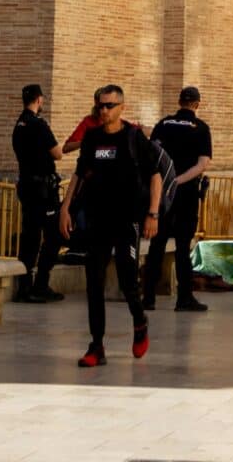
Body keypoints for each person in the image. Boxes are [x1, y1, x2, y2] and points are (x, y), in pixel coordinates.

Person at [59, 82, 162, 368]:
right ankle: (96, 346)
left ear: (121, 108)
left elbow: (155, 175)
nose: (103, 110)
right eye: (99, 106)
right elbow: (80, 175)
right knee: (94, 282)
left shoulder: (133, 137)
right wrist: (65, 208)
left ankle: (140, 323)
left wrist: (152, 214)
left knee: (128, 282)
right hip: (97, 220)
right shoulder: (91, 138)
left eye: (109, 106)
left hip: (127, 220)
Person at [143, 84, 213, 313]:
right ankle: (184, 298)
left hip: (160, 194)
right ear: (197, 104)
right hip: (185, 194)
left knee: (157, 244)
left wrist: (165, 182)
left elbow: (151, 155)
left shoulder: (163, 124)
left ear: (179, 101)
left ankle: (149, 296)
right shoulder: (201, 128)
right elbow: (202, 164)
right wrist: (179, 180)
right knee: (183, 246)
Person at [11, 82, 61, 301]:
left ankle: (25, 286)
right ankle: (40, 283)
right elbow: (57, 153)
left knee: (30, 235)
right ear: (39, 99)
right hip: (42, 189)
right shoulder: (39, 124)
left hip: (27, 185)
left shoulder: (19, 124)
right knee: (53, 236)